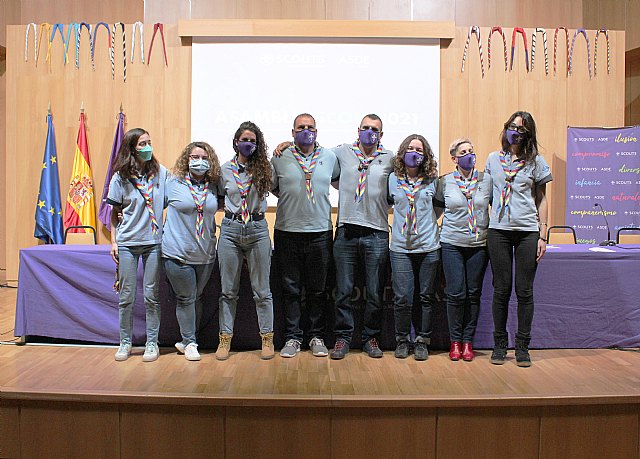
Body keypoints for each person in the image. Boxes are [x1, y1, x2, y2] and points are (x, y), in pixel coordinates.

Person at [485, 111, 552, 367]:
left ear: (528, 134)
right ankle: (500, 344)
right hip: (498, 230)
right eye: (512, 127)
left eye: (521, 129)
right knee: (501, 289)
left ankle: (523, 346)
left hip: (527, 231)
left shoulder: (536, 162)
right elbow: (486, 194)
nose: (515, 132)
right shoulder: (493, 159)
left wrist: (543, 233)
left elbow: (541, 198)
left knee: (524, 291)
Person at [271, 113, 339, 358]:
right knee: (290, 289)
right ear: (292, 132)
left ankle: (316, 336)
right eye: (301, 127)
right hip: (287, 231)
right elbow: (275, 188)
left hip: (320, 232)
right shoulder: (279, 156)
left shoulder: (330, 157)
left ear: (317, 131)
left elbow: (339, 181)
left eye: (310, 127)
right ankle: (293, 337)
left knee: (317, 290)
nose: (306, 131)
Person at [330, 114, 394, 359]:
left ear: (381, 134)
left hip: (376, 232)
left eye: (374, 129)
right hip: (346, 230)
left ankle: (370, 338)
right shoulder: (342, 152)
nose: (370, 132)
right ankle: (343, 338)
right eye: (365, 128)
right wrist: (286, 145)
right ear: (358, 130)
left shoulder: (390, 158)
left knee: (375, 293)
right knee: (343, 291)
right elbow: (313, 155)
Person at [107, 128, 167, 362]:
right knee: (126, 296)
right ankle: (125, 342)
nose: (147, 147)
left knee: (151, 296)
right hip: (128, 242)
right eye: (142, 144)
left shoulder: (160, 173)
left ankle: (152, 343)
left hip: (153, 242)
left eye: (149, 142)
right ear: (131, 148)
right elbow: (113, 213)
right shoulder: (120, 177)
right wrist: (113, 241)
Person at [216, 121, 275, 360]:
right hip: (231, 229)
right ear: (236, 142)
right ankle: (224, 339)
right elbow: (219, 198)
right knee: (228, 291)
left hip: (257, 229)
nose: (248, 144)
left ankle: (267, 339)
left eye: (253, 141)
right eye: (245, 140)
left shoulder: (265, 168)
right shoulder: (224, 170)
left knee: (262, 291)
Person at [162, 141, 222, 361]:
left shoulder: (213, 186)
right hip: (177, 251)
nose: (199, 162)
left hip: (205, 253)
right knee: (186, 298)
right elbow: (152, 204)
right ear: (186, 160)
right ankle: (190, 342)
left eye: (204, 158)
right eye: (195, 157)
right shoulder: (172, 182)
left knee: (196, 297)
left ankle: (188, 339)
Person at [434, 138, 492, 362]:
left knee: (473, 294)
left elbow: (496, 206)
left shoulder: (486, 180)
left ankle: (468, 341)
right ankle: (455, 341)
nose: (469, 155)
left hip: (479, 245)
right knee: (456, 294)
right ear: (454, 159)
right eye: (463, 152)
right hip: (451, 244)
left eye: (471, 151)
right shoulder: (445, 182)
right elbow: (436, 212)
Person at [387, 135, 440, 361]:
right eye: (410, 148)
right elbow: (388, 203)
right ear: (402, 152)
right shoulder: (392, 178)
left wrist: (426, 225)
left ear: (425, 155)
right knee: (402, 298)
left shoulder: (433, 179)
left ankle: (422, 341)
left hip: (428, 246)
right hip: (401, 247)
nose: (414, 153)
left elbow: (438, 208)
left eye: (419, 150)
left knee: (425, 297)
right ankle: (402, 340)